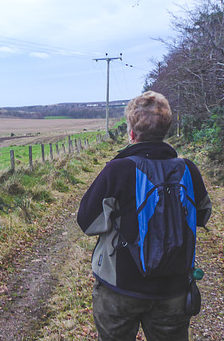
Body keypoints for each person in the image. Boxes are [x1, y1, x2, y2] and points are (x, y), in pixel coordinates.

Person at [76, 91, 212, 341]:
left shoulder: (118, 169)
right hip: (174, 290)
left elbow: (87, 221)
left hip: (119, 288)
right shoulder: (188, 169)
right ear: (166, 131)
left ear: (131, 133)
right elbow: (202, 215)